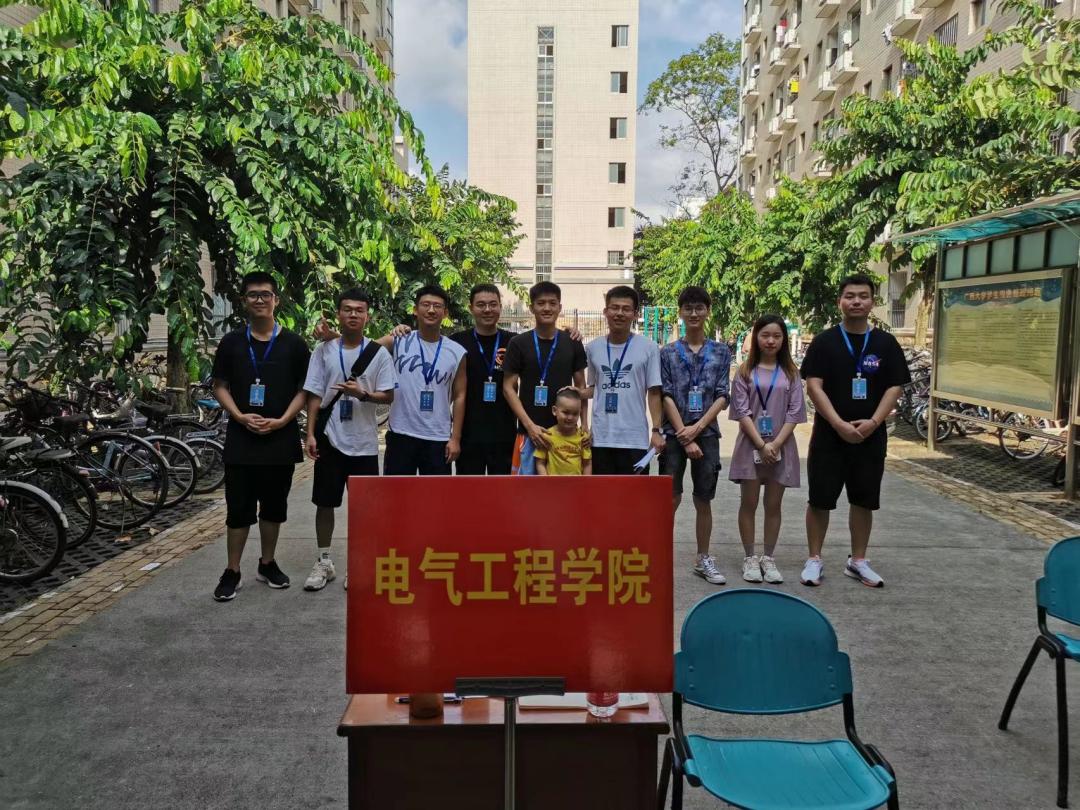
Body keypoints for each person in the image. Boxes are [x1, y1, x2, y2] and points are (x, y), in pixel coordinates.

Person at [799, 273, 910, 588]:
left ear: (873, 302)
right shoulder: (824, 342)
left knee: (864, 499)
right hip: (829, 435)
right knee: (820, 498)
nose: (856, 301)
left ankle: (858, 560)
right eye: (850, 296)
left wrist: (873, 422)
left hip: (870, 436)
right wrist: (837, 423)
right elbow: (814, 386)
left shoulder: (885, 344)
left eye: (863, 296)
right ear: (840, 301)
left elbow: (894, 387)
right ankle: (814, 559)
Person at [211, 271, 310, 602]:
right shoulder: (232, 343)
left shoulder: (294, 344)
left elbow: (305, 389)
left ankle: (267, 563)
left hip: (279, 440)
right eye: (253, 294)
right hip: (242, 440)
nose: (259, 300)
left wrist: (283, 420)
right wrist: (239, 416)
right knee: (238, 508)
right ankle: (232, 570)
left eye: (266, 294)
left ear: (276, 300)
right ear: (244, 301)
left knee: (273, 507)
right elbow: (220, 386)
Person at [302, 288, 395, 591]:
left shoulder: (378, 354)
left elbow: (388, 395)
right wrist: (311, 433)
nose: (353, 314)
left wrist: (362, 394)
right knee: (324, 503)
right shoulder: (324, 351)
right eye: (347, 309)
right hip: (330, 440)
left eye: (359, 310)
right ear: (338, 314)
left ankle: (359, 562)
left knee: (363, 510)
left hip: (364, 444)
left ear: (368, 316)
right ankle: (324, 561)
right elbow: (314, 394)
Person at [658, 286, 732, 585]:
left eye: (699, 307)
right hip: (674, 433)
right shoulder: (668, 352)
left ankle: (703, 558)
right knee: (669, 498)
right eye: (687, 307)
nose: (693, 313)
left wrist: (697, 429)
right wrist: (683, 434)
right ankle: (660, 555)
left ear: (707, 311)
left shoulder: (721, 351)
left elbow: (723, 395)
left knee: (704, 498)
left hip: (707, 432)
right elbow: (665, 394)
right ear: (680, 312)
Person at [728, 314, 807, 584]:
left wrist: (775, 444)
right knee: (748, 503)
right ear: (756, 338)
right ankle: (750, 557)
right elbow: (741, 411)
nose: (770, 341)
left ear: (783, 339)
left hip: (781, 447)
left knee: (773, 505)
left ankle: (768, 557)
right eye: (765, 335)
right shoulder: (744, 372)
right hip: (751, 446)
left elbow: (795, 412)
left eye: (776, 336)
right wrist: (762, 445)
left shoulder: (791, 373)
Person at [381, 285, 467, 476]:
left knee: (436, 494)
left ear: (445, 313)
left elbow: (460, 396)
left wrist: (455, 438)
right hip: (401, 433)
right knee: (398, 492)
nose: (431, 310)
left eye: (437, 306)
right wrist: (334, 337)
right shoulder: (398, 340)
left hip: (438, 437)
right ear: (415, 310)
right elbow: (363, 349)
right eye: (425, 305)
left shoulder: (456, 351)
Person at [502, 281, 588, 474]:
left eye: (552, 303)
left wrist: (585, 426)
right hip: (530, 434)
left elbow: (581, 388)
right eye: (541, 303)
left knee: (564, 490)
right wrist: (530, 426)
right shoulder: (518, 343)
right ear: (531, 307)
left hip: (566, 437)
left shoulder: (572, 342)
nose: (547, 308)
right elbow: (508, 388)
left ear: (560, 307)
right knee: (526, 491)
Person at [584, 285, 665, 474]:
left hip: (635, 439)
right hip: (600, 438)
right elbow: (594, 388)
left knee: (634, 493)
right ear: (605, 311)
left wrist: (656, 431)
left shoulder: (649, 348)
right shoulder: (593, 348)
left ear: (635, 314)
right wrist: (571, 393)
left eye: (626, 309)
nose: (619, 313)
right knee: (601, 491)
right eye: (614, 307)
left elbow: (654, 393)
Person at [450, 284, 517, 474]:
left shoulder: (514, 342)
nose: (487, 309)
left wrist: (571, 334)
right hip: (469, 434)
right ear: (471, 308)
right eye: (481, 305)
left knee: (503, 489)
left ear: (500, 307)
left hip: (504, 434)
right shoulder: (457, 342)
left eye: (493, 304)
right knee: (470, 489)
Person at [533, 388, 592, 476]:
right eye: (566, 412)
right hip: (552, 484)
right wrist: (545, 481)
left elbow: (587, 464)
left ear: (580, 413)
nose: (570, 417)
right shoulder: (546, 436)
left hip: (577, 484)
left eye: (575, 414)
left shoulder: (583, 437)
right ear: (554, 411)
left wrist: (586, 483)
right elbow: (540, 463)